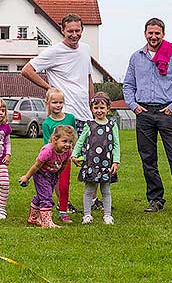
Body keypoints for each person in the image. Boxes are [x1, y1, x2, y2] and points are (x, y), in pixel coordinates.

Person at [123, 18, 172, 214]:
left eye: (157, 33)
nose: (153, 36)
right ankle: (155, 199)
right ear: (145, 34)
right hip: (143, 112)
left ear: (163, 34)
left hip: (167, 112)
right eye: (150, 33)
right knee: (148, 158)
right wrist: (133, 106)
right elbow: (128, 85)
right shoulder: (136, 57)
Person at [21, 13, 101, 208]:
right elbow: (27, 70)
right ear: (62, 30)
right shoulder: (53, 52)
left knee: (92, 156)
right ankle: (62, 202)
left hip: (84, 113)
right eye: (70, 31)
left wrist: (92, 102)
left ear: (82, 30)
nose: (74, 35)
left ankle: (93, 199)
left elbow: (88, 78)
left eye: (77, 31)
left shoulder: (85, 49)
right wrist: (49, 88)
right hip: (63, 115)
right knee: (58, 162)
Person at [71, 92, 120, 225]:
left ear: (108, 109)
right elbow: (80, 141)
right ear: (92, 109)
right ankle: (87, 215)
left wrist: (116, 161)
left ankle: (108, 215)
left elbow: (116, 144)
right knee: (89, 190)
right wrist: (74, 155)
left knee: (106, 190)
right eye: (96, 108)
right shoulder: (89, 124)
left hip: (106, 164)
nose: (99, 111)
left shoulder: (112, 125)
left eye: (102, 107)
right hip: (91, 163)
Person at [19, 125, 76, 228]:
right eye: (64, 141)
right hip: (41, 174)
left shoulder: (68, 151)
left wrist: (57, 175)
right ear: (55, 139)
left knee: (41, 195)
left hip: (53, 174)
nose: (68, 145)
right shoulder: (47, 151)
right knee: (46, 197)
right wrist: (26, 177)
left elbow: (64, 164)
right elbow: (36, 165)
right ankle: (46, 222)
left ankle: (33, 218)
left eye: (70, 142)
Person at [42, 88, 77, 223]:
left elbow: (74, 138)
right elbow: (47, 143)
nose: (58, 105)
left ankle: (63, 211)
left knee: (64, 185)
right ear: (48, 103)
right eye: (55, 102)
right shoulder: (47, 123)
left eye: (60, 102)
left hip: (66, 159)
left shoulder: (70, 118)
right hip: (51, 161)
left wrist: (73, 154)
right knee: (48, 186)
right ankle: (44, 210)